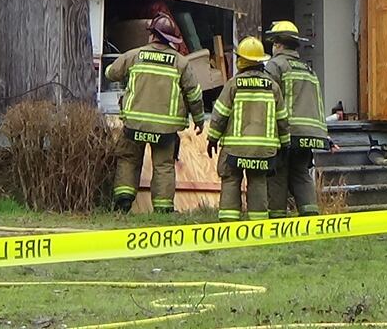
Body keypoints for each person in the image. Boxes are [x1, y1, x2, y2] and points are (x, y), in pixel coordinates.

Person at [105, 12, 204, 213]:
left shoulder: (134, 56)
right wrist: (200, 119)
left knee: (128, 160)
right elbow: (194, 94)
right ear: (171, 40)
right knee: (164, 167)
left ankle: (123, 202)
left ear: (151, 35)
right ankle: (163, 208)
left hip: (134, 124)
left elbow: (110, 73)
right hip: (165, 129)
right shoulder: (180, 62)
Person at [207, 36, 290, 222]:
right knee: (258, 182)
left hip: (234, 149)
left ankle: (229, 221)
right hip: (263, 150)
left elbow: (220, 114)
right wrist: (285, 145)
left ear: (242, 60)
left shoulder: (233, 84)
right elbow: (282, 120)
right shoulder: (273, 87)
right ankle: (258, 223)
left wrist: (212, 138)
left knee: (230, 180)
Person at [264, 21, 329, 218]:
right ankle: (310, 215)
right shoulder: (308, 69)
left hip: (286, 132)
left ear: (279, 45)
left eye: (274, 43)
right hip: (310, 134)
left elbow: (268, 99)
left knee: (277, 175)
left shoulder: (276, 66)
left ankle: (277, 219)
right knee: (301, 175)